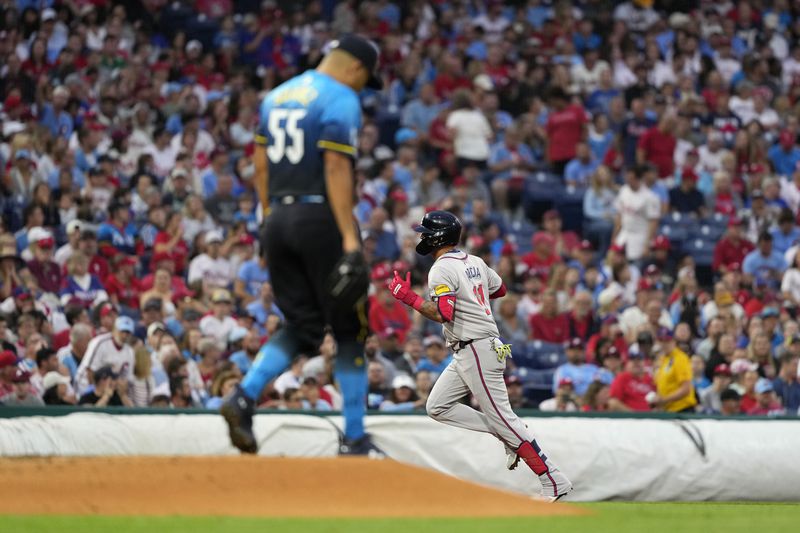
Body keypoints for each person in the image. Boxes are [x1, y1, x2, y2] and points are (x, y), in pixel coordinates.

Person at [222, 35, 383, 456]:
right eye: (366, 79)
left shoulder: (276, 96)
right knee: (350, 328)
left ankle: (244, 395)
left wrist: (264, 216)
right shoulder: (342, 98)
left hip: (277, 218)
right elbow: (335, 165)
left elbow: (260, 163)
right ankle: (353, 436)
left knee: (303, 325)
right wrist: (350, 238)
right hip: (319, 219)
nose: (363, 87)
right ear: (354, 68)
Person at [388, 210, 572, 501]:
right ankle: (507, 434)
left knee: (504, 419)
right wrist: (473, 295)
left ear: (438, 236)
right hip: (475, 347)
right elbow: (500, 289)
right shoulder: (475, 261)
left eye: (425, 231)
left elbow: (443, 313)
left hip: (475, 347)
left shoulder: (440, 269)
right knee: (437, 406)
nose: (422, 236)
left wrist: (408, 297)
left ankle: (553, 479)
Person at [74, 316, 136, 396]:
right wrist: (95, 393)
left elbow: (127, 378)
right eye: (122, 331)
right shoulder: (100, 342)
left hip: (107, 390)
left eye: (128, 332)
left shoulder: (130, 352)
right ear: (115, 329)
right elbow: (89, 370)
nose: (124, 335)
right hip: (85, 385)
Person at [652, 328, 697, 413]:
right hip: (669, 410)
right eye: (661, 340)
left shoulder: (680, 358)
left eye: (667, 340)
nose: (664, 344)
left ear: (673, 341)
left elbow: (685, 389)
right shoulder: (663, 359)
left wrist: (664, 399)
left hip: (683, 410)